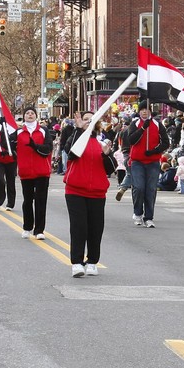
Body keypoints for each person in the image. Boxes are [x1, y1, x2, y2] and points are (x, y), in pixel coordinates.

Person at [62, 111, 116, 277]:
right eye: (85, 119)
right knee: (79, 228)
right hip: (75, 191)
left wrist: (107, 155)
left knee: (95, 228)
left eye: (91, 120)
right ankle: (77, 263)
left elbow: (110, 169)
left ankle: (92, 261)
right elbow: (70, 153)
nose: (88, 122)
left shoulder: (100, 143)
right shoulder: (74, 138)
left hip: (97, 193)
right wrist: (78, 130)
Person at [125, 101, 168, 228]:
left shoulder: (158, 125)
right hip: (137, 161)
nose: (144, 111)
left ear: (150, 111)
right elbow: (131, 140)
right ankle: (138, 213)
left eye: (146, 109)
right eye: (142, 109)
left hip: (153, 161)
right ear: (139, 112)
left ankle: (148, 217)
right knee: (138, 188)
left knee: (150, 189)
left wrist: (155, 151)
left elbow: (165, 142)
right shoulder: (135, 124)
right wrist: (143, 128)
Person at [16, 106, 54, 239]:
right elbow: (7, 143)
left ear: (36, 116)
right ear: (24, 116)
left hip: (42, 171)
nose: (30, 115)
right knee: (27, 201)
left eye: (32, 113)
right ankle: (27, 227)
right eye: (27, 113)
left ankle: (39, 230)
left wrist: (35, 146)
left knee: (40, 201)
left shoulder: (43, 131)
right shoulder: (19, 131)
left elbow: (48, 148)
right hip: (26, 171)